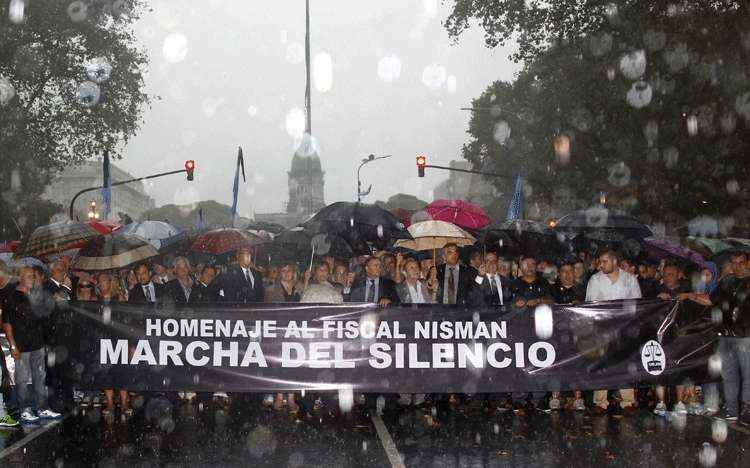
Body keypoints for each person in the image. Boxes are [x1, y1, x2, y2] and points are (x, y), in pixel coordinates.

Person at [2, 267, 62, 423]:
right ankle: (24, 409)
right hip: (22, 345)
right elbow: (7, 323)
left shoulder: (35, 295)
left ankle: (42, 407)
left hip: (37, 343)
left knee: (40, 377)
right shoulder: (12, 296)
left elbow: (44, 315)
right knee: (22, 378)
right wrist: (12, 344)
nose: (32, 279)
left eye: (34, 276)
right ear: (20, 277)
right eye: (29, 276)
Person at [586, 248, 641, 415]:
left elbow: (637, 305)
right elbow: (591, 306)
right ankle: (601, 401)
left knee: (625, 364)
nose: (601, 265)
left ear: (615, 261)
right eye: (600, 262)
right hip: (602, 331)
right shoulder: (595, 280)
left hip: (624, 330)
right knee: (602, 364)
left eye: (604, 261)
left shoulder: (630, 280)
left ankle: (628, 401)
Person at [710, 251, 750, 423]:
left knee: (748, 375)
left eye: (741, 262)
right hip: (725, 334)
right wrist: (690, 295)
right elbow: (712, 300)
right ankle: (732, 409)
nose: (737, 266)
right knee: (728, 374)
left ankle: (747, 409)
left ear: (748, 263)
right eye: (733, 262)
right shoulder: (727, 281)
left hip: (745, 335)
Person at [95, 272, 131, 419]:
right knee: (106, 372)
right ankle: (109, 402)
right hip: (103, 340)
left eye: (104, 280)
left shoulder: (119, 298)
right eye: (99, 281)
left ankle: (124, 402)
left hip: (119, 339)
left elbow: (126, 321)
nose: (101, 283)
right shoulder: (95, 301)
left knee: (122, 371)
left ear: (110, 282)